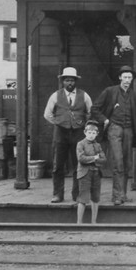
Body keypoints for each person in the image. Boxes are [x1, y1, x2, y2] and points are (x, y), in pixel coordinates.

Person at [91, 65, 136, 206]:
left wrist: (131, 124)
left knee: (126, 163)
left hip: (128, 131)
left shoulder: (134, 95)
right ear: (120, 77)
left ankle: (123, 194)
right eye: (125, 77)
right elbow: (95, 109)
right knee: (118, 162)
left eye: (129, 78)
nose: (127, 80)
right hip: (114, 129)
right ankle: (116, 196)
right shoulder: (110, 91)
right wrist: (106, 120)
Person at [43, 67, 92, 203]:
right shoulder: (55, 95)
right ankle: (58, 194)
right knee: (58, 165)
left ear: (76, 81)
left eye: (72, 80)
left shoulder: (84, 95)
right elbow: (47, 114)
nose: (69, 83)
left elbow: (90, 112)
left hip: (78, 133)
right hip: (61, 133)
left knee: (79, 164)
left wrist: (83, 125)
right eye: (67, 80)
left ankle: (77, 194)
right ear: (63, 81)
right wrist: (59, 122)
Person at [76, 120, 106, 224]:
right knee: (83, 198)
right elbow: (81, 158)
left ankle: (94, 222)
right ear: (85, 132)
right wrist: (94, 158)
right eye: (89, 133)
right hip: (84, 174)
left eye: (94, 133)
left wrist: (96, 160)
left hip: (96, 173)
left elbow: (103, 159)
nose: (91, 135)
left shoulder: (98, 145)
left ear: (97, 134)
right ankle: (79, 223)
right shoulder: (80, 144)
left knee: (95, 197)